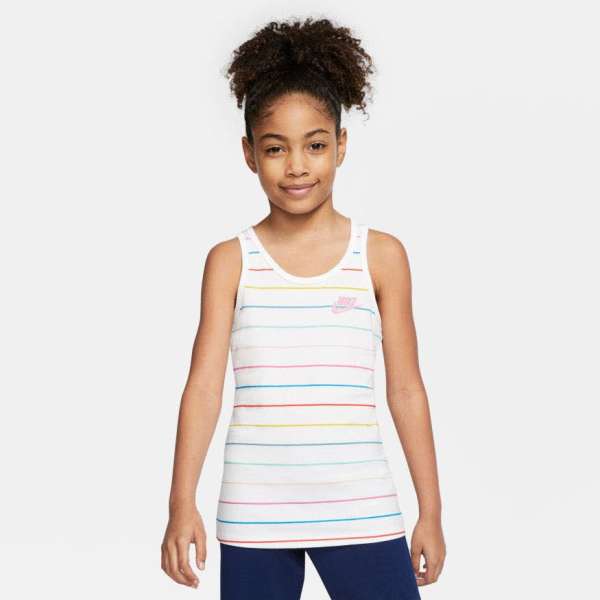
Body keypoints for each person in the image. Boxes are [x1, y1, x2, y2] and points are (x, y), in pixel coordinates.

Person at [161, 16, 446, 599]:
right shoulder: (231, 261)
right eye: (276, 148)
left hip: (361, 507)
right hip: (254, 512)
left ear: (341, 145)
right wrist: (180, 503)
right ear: (249, 154)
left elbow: (406, 389)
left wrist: (431, 510)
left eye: (315, 145)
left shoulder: (381, 256)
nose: (296, 166)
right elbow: (204, 389)